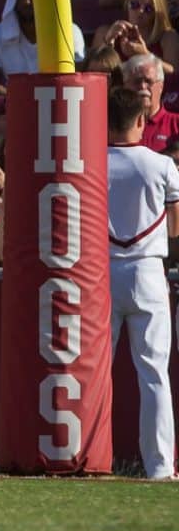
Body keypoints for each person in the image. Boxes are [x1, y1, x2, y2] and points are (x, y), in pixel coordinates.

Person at [105, 84, 179, 480]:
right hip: (149, 271)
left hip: (101, 273)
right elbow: (177, 225)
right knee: (154, 374)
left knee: (95, 373)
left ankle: (91, 458)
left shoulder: (88, 163)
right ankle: (160, 467)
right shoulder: (164, 165)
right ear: (140, 120)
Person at [0, 0, 86, 94]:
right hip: (17, 103)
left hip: (58, 102)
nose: (26, 2)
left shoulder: (70, 32)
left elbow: (76, 80)